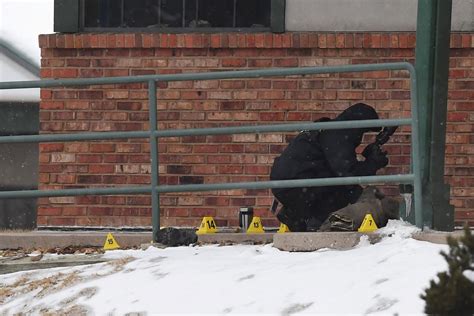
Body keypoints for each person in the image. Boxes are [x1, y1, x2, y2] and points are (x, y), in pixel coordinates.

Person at [270, 103, 390, 232]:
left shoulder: (329, 130)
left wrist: (369, 161)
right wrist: (373, 163)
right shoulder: (337, 135)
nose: (360, 136)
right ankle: (316, 225)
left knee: (342, 187)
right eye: (362, 131)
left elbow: (340, 168)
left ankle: (296, 216)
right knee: (345, 191)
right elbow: (349, 175)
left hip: (290, 182)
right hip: (295, 185)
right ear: (356, 125)